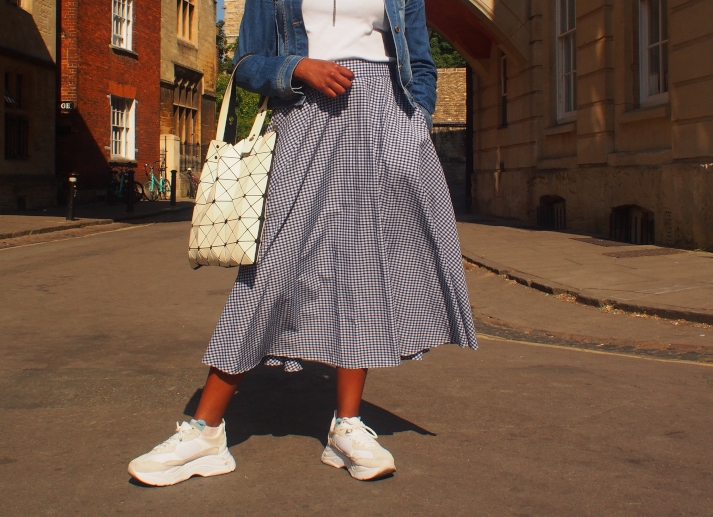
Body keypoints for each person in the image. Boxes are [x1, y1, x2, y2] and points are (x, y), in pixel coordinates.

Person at [128, 0, 477, 486]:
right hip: (305, 121)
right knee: (269, 269)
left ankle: (347, 427)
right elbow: (246, 64)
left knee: (363, 269)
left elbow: (420, 63)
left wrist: (415, 120)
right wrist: (298, 68)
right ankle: (205, 432)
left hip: (387, 126)